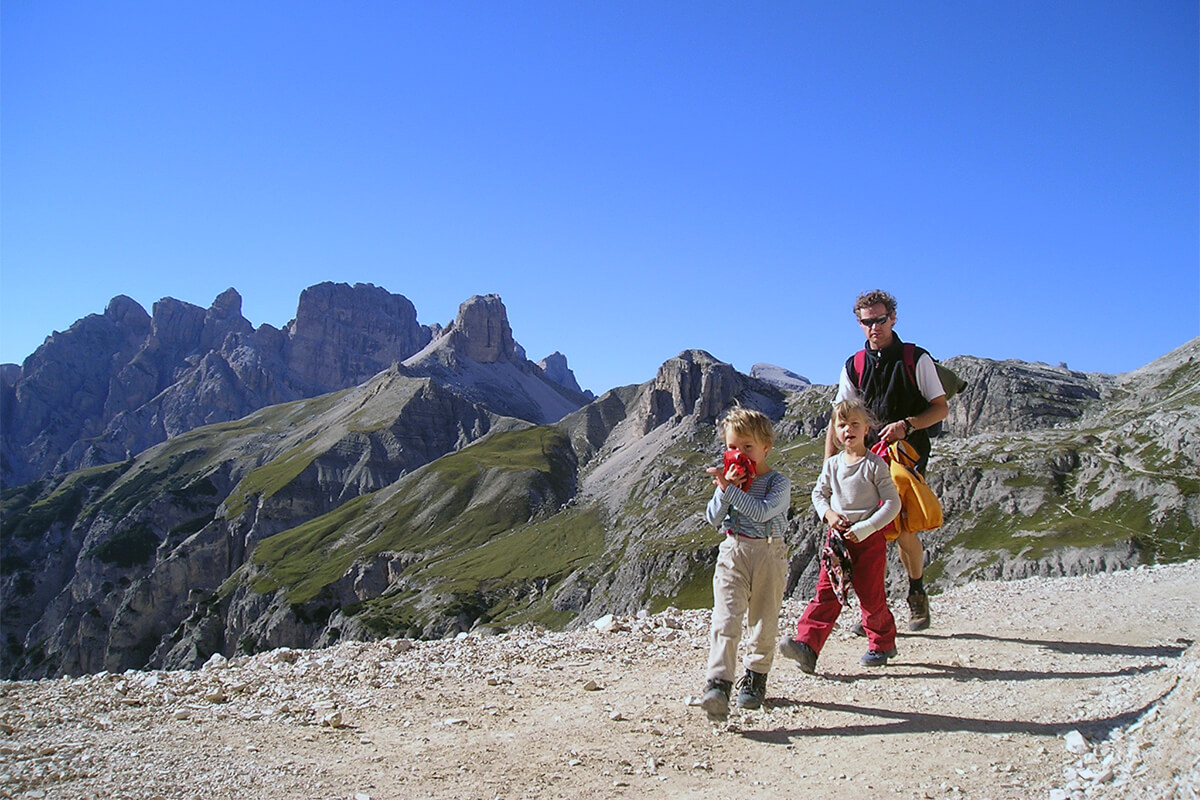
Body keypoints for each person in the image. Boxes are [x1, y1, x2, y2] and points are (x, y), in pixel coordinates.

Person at [829, 289, 948, 631]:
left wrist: (907, 425)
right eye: (867, 322)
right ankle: (876, 612)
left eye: (880, 320)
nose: (874, 328)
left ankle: (915, 593)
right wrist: (832, 465)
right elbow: (839, 417)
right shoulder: (854, 366)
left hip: (907, 453)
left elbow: (940, 407)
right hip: (868, 454)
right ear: (859, 323)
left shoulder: (915, 358)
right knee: (870, 529)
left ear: (893, 319)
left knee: (901, 523)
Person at [780, 398, 902, 672]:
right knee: (827, 591)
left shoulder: (875, 465)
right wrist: (829, 515)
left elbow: (893, 503)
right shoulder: (832, 464)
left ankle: (882, 643)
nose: (848, 430)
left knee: (871, 595)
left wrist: (866, 528)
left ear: (867, 428)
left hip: (868, 541)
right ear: (834, 431)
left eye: (855, 424)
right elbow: (818, 494)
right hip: (837, 541)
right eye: (842, 425)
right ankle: (808, 646)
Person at [699, 407, 792, 720]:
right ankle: (718, 684)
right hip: (733, 551)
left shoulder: (779, 483)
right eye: (731, 447)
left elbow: (762, 512)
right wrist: (726, 492)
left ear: (765, 448)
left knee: (763, 619)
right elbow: (712, 518)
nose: (738, 454)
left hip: (769, 554)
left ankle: (755, 679)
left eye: (747, 448)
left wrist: (730, 490)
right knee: (726, 618)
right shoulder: (729, 483)